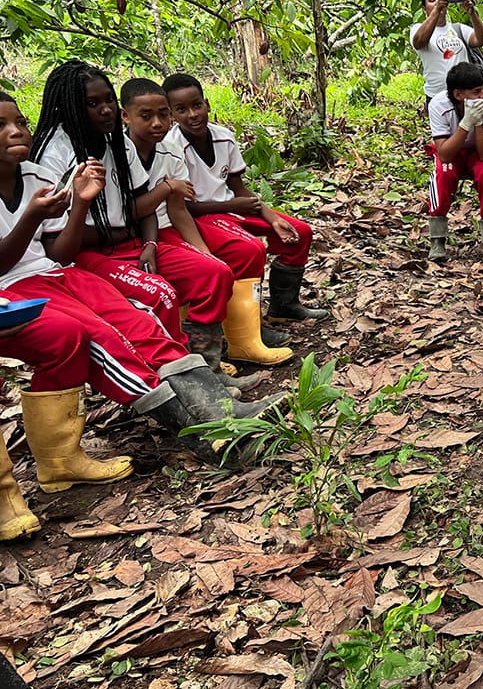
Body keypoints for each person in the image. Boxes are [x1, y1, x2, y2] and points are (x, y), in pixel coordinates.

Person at [0, 92, 276, 534]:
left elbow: (60, 251)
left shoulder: (33, 175)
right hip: (12, 289)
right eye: (1, 126)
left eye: (19, 122)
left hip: (56, 273)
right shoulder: (41, 177)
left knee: (138, 321)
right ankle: (206, 433)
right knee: (102, 339)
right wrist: (31, 218)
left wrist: (82, 203)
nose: (16, 132)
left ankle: (218, 406)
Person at [29, 61, 234, 350]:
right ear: (71, 106)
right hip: (88, 254)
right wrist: (122, 233)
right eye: (92, 103)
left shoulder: (117, 142)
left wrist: (149, 244)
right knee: (160, 293)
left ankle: (207, 364)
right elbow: (58, 243)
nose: (106, 109)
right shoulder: (54, 155)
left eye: (109, 99)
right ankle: (176, 376)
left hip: (132, 241)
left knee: (214, 273)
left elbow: (143, 204)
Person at [121, 78, 289, 374]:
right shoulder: (118, 154)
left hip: (167, 226)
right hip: (127, 238)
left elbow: (177, 210)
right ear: (126, 116)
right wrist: (166, 191)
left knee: (218, 266)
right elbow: (137, 209)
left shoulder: (170, 154)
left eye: (163, 114)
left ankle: (231, 347)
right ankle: (198, 363)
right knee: (211, 271)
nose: (158, 123)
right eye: (147, 116)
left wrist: (202, 251)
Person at [163, 73, 330, 323]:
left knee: (300, 232)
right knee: (248, 250)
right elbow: (182, 208)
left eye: (197, 105)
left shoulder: (223, 137)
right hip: (200, 217)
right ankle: (249, 326)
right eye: (181, 109)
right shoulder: (172, 148)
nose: (192, 114)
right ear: (172, 114)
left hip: (231, 208)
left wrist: (271, 217)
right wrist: (231, 205)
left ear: (206, 104)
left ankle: (284, 305)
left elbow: (238, 188)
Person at [427, 62, 483, 262]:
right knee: (443, 173)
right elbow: (444, 153)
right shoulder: (438, 105)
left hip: (479, 151)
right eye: (477, 92)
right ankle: (437, 239)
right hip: (453, 150)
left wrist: (477, 122)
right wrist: (466, 122)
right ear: (459, 95)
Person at [410, 0, 483, 103]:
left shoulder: (457, 28)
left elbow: (481, 40)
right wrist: (437, 10)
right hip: (437, 96)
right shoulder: (417, 28)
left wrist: (472, 14)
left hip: (464, 94)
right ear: (424, 9)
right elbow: (419, 42)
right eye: (432, 1)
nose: (437, 2)